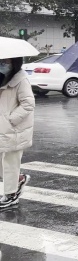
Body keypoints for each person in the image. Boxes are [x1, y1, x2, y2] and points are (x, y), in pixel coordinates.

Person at [0, 57, 34, 210]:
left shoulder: (21, 80)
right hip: (3, 128)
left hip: (14, 129)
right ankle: (18, 179)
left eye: (6, 62)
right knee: (3, 161)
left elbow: (28, 104)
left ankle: (11, 194)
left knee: (10, 161)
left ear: (15, 62)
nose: (3, 64)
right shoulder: (3, 77)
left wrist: (10, 120)